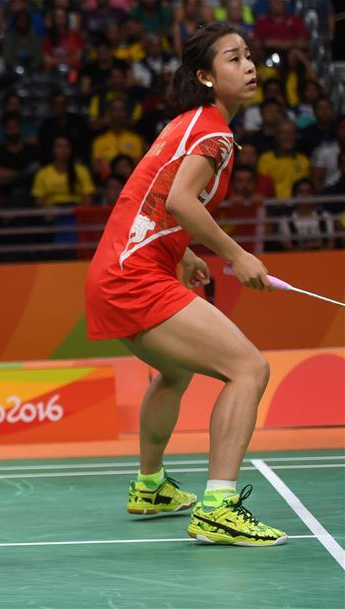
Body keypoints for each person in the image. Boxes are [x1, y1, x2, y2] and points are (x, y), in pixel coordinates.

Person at [85, 23, 287, 546]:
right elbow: (178, 201)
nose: (249, 66)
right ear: (205, 76)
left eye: (249, 56)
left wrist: (185, 252)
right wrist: (236, 255)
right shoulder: (213, 134)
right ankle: (218, 508)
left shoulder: (186, 124)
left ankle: (150, 486)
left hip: (117, 271)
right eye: (233, 58)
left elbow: (150, 198)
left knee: (174, 373)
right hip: (134, 279)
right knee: (249, 369)